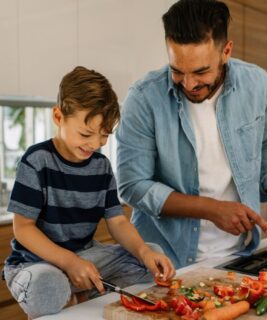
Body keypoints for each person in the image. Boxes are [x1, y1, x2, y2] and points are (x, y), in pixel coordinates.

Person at [116, 0, 267, 269]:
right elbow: (132, 185)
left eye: (201, 71)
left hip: (239, 255)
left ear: (226, 51)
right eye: (177, 70)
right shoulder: (143, 98)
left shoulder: (258, 84)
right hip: (164, 260)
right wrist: (212, 209)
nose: (189, 84)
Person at [3, 66, 175, 319]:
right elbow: (23, 228)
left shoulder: (101, 166)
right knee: (48, 286)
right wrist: (69, 263)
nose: (95, 144)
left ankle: (76, 295)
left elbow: (117, 221)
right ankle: (74, 294)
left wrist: (144, 252)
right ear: (59, 117)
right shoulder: (37, 160)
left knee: (150, 257)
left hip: (85, 256)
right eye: (86, 134)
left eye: (104, 135)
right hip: (35, 263)